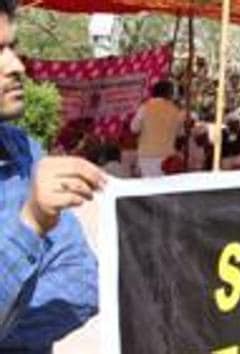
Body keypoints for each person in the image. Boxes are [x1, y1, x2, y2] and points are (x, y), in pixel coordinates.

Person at [0, 0, 102, 352]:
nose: (16, 66)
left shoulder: (24, 150)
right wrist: (30, 223)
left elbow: (81, 284)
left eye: (12, 47)